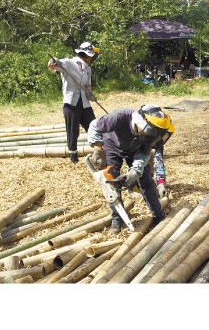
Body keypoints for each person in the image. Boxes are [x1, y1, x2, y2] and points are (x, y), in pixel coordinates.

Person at [87, 104, 174, 234]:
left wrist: (135, 172)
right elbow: (94, 126)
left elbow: (144, 154)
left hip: (135, 149)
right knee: (111, 183)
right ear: (140, 123)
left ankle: (157, 215)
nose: (151, 137)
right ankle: (117, 219)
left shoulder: (150, 137)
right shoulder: (120, 116)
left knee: (145, 180)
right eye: (149, 133)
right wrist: (98, 149)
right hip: (111, 147)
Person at [48, 42, 99, 164]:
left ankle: (99, 152)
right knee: (73, 130)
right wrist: (54, 62)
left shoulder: (88, 69)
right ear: (86, 55)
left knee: (94, 126)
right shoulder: (68, 63)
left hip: (85, 103)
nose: (92, 58)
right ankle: (73, 157)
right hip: (71, 103)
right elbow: (53, 65)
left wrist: (90, 94)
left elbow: (87, 86)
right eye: (91, 55)